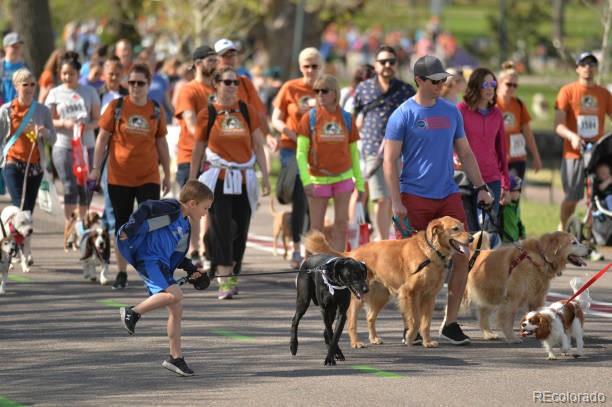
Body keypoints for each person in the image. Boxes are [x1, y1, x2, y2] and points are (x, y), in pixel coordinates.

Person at [384, 55, 493, 345]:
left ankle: (450, 322)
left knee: (463, 255)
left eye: (443, 79)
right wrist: (396, 201)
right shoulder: (402, 114)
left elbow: (466, 153)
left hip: (447, 195)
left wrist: (481, 186)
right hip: (413, 197)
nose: (441, 84)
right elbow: (390, 161)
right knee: (415, 266)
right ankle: (413, 325)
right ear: (419, 81)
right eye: (435, 81)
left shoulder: (450, 112)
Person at [117, 180, 213, 377]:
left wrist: (192, 270)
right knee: (176, 295)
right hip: (148, 259)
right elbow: (146, 207)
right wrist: (131, 229)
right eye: (205, 208)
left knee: (176, 310)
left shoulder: (185, 226)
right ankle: (132, 312)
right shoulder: (172, 209)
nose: (205, 213)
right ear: (192, 203)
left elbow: (176, 256)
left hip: (161, 264)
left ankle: (175, 358)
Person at [189, 67, 270, 299]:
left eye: (236, 82)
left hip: (244, 178)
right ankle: (225, 280)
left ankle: (231, 271)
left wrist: (265, 176)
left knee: (240, 229)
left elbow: (258, 145)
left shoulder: (246, 110)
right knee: (222, 228)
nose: (233, 86)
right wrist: (192, 180)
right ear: (216, 84)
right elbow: (198, 149)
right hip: (220, 179)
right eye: (227, 82)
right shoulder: (209, 113)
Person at [89, 63, 171, 290]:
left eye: (140, 83)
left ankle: (151, 273)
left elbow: (161, 142)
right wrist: (95, 169)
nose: (135, 87)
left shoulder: (155, 109)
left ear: (149, 84)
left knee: (149, 227)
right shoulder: (117, 107)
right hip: (119, 177)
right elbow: (102, 139)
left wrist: (167, 173)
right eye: (132, 82)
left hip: (149, 176)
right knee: (123, 227)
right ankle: (122, 272)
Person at [296, 74, 365, 251]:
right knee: (316, 230)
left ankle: (337, 266)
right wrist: (306, 181)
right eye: (316, 91)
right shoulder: (309, 118)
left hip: (343, 179)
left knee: (341, 226)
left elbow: (354, 154)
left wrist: (360, 183)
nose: (320, 94)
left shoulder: (347, 118)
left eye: (324, 91)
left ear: (335, 93)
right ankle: (311, 267)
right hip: (318, 180)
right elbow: (301, 153)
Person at [353, 45, 415, 241]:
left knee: (394, 198)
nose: (387, 65)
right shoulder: (364, 88)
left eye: (391, 62)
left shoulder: (406, 90)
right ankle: (382, 239)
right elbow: (355, 117)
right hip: (373, 150)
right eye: (383, 62)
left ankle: (394, 238)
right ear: (375, 64)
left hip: (400, 152)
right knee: (381, 198)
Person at [271, 47, 321, 268]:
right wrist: (290, 132)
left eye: (314, 66)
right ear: (301, 67)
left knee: (313, 197)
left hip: (318, 150)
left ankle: (309, 247)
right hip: (292, 147)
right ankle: (297, 247)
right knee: (301, 190)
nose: (310, 70)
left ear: (321, 67)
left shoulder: (325, 89)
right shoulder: (290, 87)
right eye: (306, 66)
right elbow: (276, 118)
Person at [46, 51, 100, 241]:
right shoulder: (55, 93)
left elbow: (97, 120)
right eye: (64, 74)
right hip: (63, 146)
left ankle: (83, 224)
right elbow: (49, 120)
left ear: (78, 74)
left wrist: (86, 126)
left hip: (87, 147)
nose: (67, 77)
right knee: (69, 186)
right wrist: (64, 123)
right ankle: (70, 229)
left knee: (87, 186)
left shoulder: (89, 92)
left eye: (71, 73)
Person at [554, 52, 612, 233]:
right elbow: (558, 125)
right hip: (574, 152)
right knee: (572, 196)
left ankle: (593, 234)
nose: (588, 67)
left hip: (598, 152)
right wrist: (572, 136)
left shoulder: (603, 93)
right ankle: (563, 228)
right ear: (578, 68)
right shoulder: (568, 91)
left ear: (596, 68)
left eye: (592, 64)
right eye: (584, 64)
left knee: (596, 194)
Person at [174, 45, 218, 264]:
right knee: (191, 207)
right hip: (189, 156)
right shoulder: (189, 90)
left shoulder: (219, 90)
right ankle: (193, 250)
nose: (215, 63)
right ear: (198, 63)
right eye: (211, 60)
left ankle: (207, 250)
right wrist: (209, 141)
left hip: (216, 160)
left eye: (216, 60)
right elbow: (191, 123)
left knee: (210, 207)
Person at [458, 67, 510, 246]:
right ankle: (469, 270)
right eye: (485, 84)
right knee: (470, 231)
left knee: (488, 230)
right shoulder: (461, 111)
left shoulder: (497, 114)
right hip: (465, 178)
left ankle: (486, 270)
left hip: (491, 179)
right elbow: (449, 141)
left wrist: (506, 184)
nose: (490, 88)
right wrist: (452, 156)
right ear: (475, 86)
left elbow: (502, 151)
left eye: (493, 84)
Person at [0, 68, 55, 211]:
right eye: (25, 85)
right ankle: (14, 231)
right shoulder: (6, 110)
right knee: (19, 206)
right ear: (16, 86)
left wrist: (44, 132)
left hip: (35, 165)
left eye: (33, 84)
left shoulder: (43, 111)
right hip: (12, 162)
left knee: (28, 210)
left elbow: (53, 139)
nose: (30, 88)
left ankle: (19, 233)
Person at [214, 39, 276, 150]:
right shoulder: (210, 83)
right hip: (216, 149)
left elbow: (259, 111)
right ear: (216, 59)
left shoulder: (245, 82)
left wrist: (267, 135)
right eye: (225, 56)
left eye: (232, 55)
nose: (229, 59)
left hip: (243, 146)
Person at [97, 56, 128, 233]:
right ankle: (106, 223)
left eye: (117, 74)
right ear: (104, 75)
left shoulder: (127, 95)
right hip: (100, 146)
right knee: (103, 187)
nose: (114, 77)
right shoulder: (98, 94)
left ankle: (110, 226)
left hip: (120, 147)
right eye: (111, 74)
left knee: (111, 188)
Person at [497, 61, 542, 180]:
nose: (511, 88)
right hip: (496, 158)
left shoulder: (519, 105)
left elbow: (527, 132)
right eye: (508, 84)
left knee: (513, 193)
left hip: (517, 157)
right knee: (499, 196)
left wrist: (536, 156)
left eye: (515, 85)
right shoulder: (491, 105)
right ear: (499, 83)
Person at [1, 33, 27, 104]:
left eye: (19, 47)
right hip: (3, 107)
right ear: (5, 47)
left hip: (22, 108)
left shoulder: (25, 66)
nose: (17, 49)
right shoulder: (1, 66)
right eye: (14, 47)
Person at [500, 175, 525, 243]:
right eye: (517, 190)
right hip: (504, 242)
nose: (520, 193)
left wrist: (522, 235)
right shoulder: (502, 207)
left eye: (520, 190)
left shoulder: (516, 206)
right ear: (508, 191)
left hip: (515, 241)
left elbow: (518, 222)